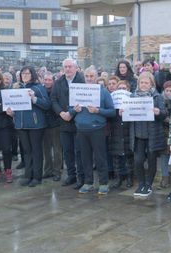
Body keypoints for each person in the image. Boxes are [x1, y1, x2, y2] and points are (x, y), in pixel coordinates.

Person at [71, 66, 115, 195]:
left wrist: (98, 111)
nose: (89, 79)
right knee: (85, 158)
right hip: (81, 130)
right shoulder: (77, 91)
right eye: (87, 76)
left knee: (100, 157)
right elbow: (70, 109)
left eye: (92, 76)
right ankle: (88, 182)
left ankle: (103, 183)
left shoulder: (103, 92)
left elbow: (112, 111)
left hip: (97, 129)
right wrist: (74, 110)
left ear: (96, 77)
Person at [121, 72, 166, 197]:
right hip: (137, 135)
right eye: (142, 82)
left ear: (151, 83)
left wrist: (158, 112)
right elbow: (128, 116)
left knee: (152, 160)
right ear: (138, 83)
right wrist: (123, 112)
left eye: (146, 82)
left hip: (152, 135)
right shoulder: (132, 97)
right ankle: (141, 184)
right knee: (138, 161)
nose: (144, 85)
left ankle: (148, 185)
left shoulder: (157, 97)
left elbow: (164, 114)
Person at [7, 66, 51, 187]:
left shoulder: (38, 88)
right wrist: (11, 112)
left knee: (36, 151)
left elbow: (47, 105)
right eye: (23, 73)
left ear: (32, 75)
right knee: (26, 151)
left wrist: (34, 98)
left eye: (27, 73)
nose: (25, 75)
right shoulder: (17, 87)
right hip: (21, 124)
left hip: (35, 125)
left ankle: (37, 177)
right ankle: (28, 175)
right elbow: (14, 105)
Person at [51, 58, 85, 189]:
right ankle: (71, 175)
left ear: (76, 68)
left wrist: (71, 113)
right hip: (64, 121)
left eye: (70, 66)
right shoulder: (59, 82)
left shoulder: (82, 80)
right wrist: (61, 113)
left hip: (78, 121)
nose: (68, 69)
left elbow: (83, 100)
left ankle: (81, 177)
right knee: (67, 151)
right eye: (65, 67)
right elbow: (53, 100)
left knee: (79, 151)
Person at [107, 80, 134, 188]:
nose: (122, 91)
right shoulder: (113, 101)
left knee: (129, 157)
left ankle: (130, 178)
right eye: (120, 89)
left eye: (124, 88)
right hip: (116, 131)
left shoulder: (133, 100)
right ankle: (118, 178)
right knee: (116, 157)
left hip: (128, 131)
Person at [157, 80, 171, 190]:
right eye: (167, 90)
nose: (169, 93)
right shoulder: (160, 101)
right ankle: (164, 178)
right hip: (163, 131)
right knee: (164, 156)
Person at [42, 72, 62, 182]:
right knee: (46, 149)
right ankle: (48, 170)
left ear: (53, 81)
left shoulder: (57, 90)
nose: (47, 82)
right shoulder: (40, 90)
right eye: (46, 80)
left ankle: (57, 171)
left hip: (55, 123)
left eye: (49, 80)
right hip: (44, 123)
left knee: (57, 149)